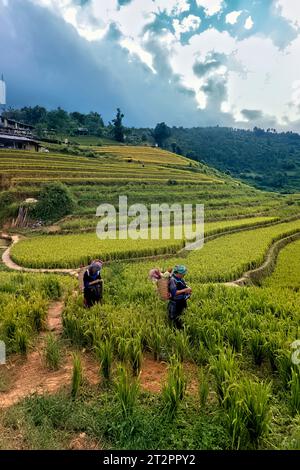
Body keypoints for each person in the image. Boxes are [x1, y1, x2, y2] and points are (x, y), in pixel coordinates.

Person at [168, 265, 192, 329]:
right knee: (177, 318)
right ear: (178, 273)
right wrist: (185, 290)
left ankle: (184, 328)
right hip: (176, 303)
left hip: (182, 300)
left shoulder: (179, 278)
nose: (184, 275)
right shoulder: (172, 280)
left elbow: (183, 284)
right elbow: (174, 293)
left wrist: (187, 287)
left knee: (184, 314)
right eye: (183, 274)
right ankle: (178, 331)